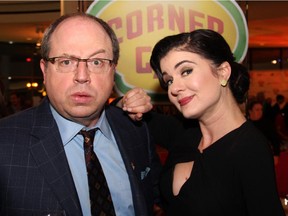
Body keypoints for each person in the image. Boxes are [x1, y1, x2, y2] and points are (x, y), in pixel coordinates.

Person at [0, 13, 162, 216]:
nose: (82, 77)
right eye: (66, 62)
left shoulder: (134, 130)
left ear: (113, 70)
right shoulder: (5, 143)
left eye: (97, 62)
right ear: (44, 71)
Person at [148, 29, 285, 215]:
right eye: (169, 80)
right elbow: (125, 116)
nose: (174, 88)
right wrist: (126, 101)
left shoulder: (249, 149)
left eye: (186, 71)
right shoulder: (186, 132)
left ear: (222, 72)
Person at [247, 100, 281, 165]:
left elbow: (275, 139)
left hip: (263, 155)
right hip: (249, 156)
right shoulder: (246, 124)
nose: (260, 112)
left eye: (261, 109)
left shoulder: (267, 124)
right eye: (257, 110)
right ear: (250, 111)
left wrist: (276, 155)